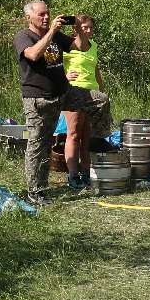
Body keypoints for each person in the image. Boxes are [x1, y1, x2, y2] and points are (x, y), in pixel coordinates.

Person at [14, 0, 113, 206]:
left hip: (64, 93)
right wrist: (51, 31)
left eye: (47, 13)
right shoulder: (24, 36)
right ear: (28, 17)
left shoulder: (57, 36)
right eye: (41, 14)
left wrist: (79, 30)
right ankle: (36, 191)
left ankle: (99, 139)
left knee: (100, 100)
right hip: (39, 99)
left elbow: (81, 47)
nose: (46, 17)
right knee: (39, 144)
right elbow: (33, 55)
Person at [62, 14, 103, 189]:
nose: (88, 30)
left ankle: (86, 173)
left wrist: (101, 90)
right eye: (85, 27)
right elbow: (53, 66)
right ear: (76, 29)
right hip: (74, 91)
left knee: (88, 136)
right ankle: (73, 175)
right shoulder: (67, 46)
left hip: (92, 93)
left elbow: (96, 69)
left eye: (90, 27)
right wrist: (64, 77)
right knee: (74, 133)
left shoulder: (94, 46)